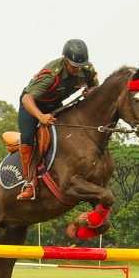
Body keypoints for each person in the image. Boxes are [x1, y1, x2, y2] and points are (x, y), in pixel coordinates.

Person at [16, 39, 100, 201]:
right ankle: (29, 183)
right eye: (74, 65)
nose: (78, 69)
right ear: (65, 60)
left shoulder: (86, 69)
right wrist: (41, 116)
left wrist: (91, 91)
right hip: (33, 106)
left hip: (56, 105)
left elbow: (94, 85)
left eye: (80, 66)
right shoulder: (51, 75)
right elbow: (27, 99)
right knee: (27, 137)